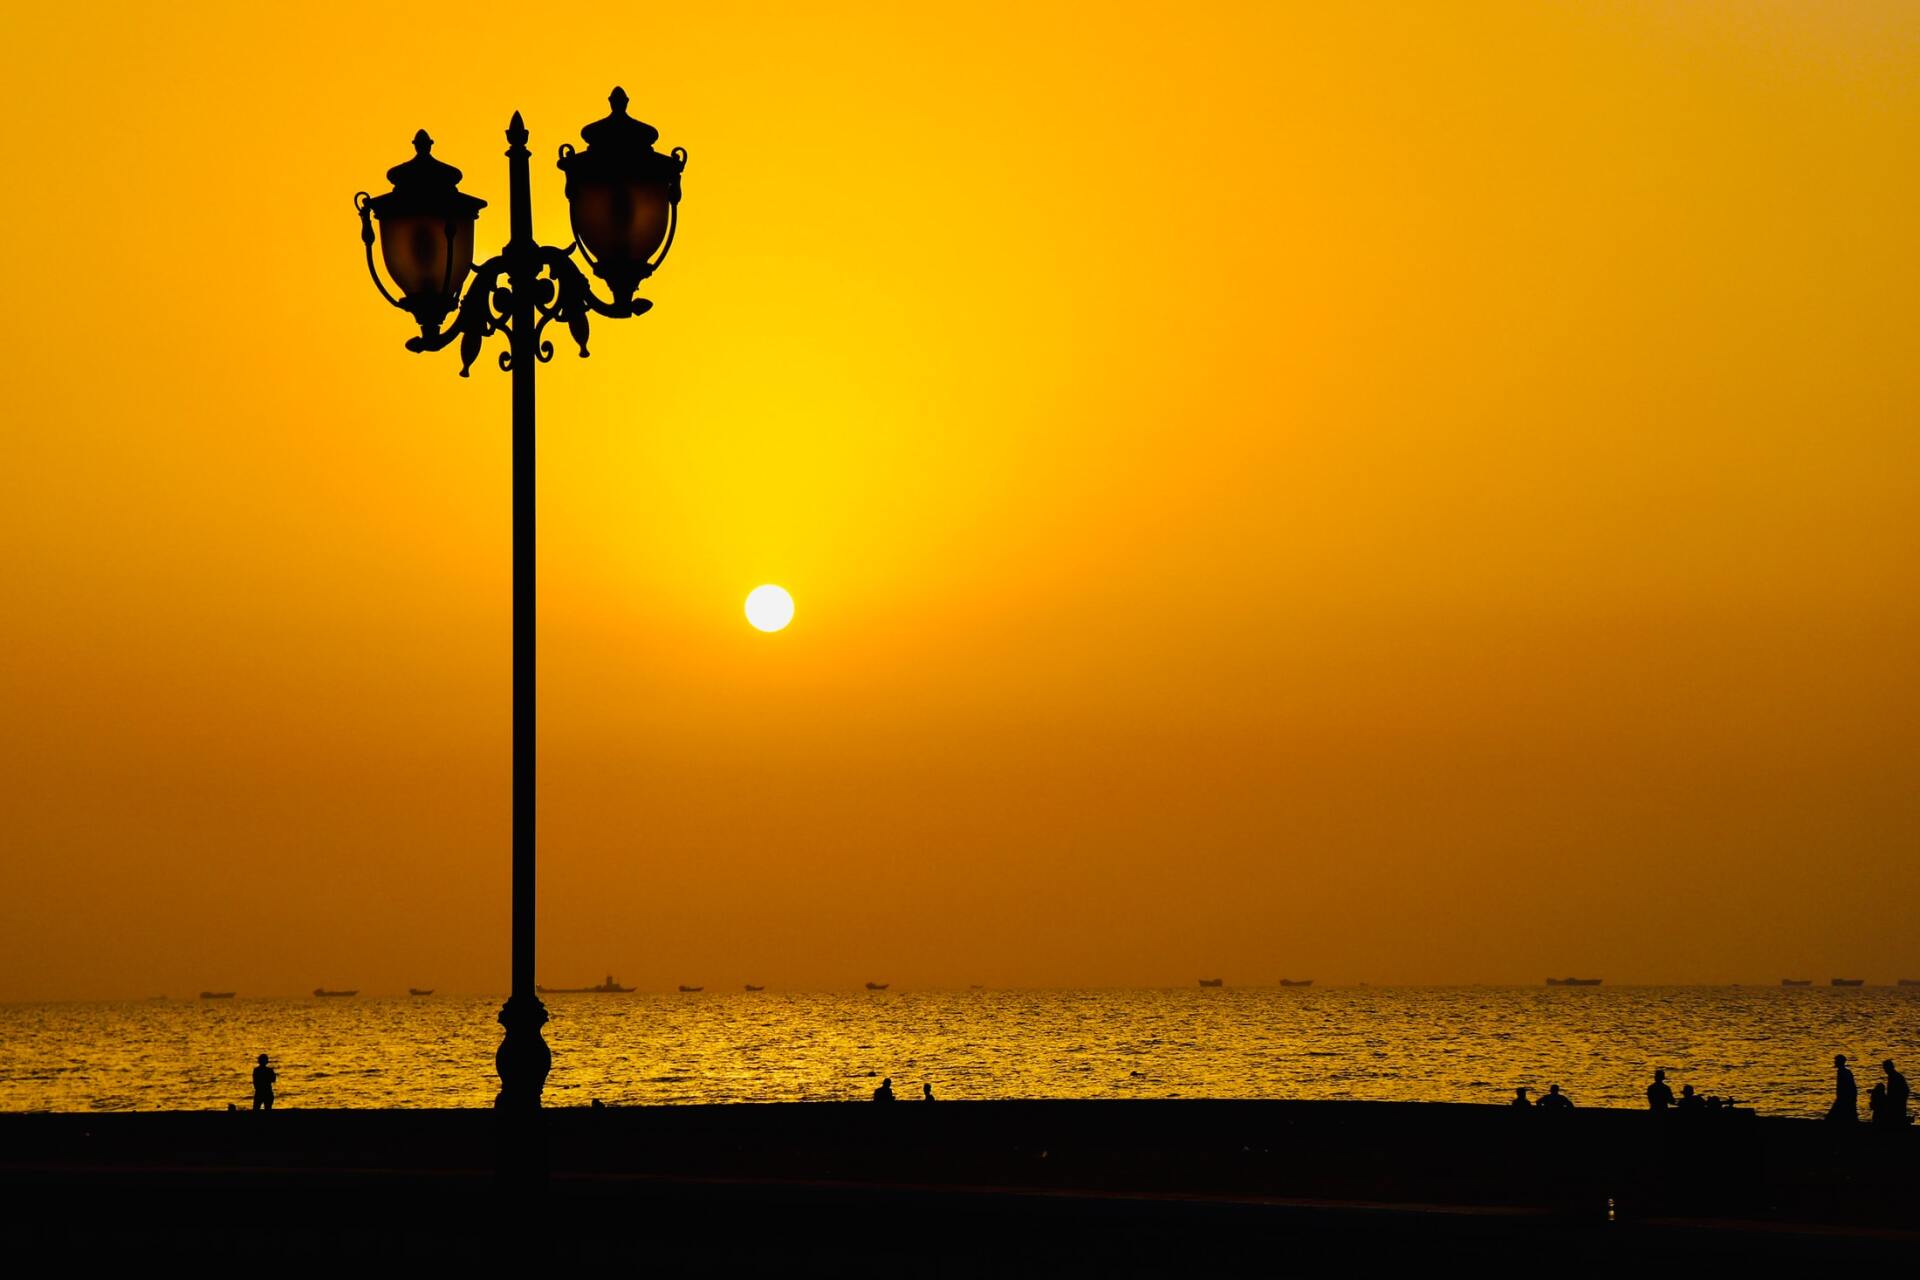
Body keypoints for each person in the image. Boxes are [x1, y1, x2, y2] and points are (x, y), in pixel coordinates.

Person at [1828, 1054, 1857, 1121]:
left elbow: (1846, 1086)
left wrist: (1841, 1096)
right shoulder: (1845, 1071)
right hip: (1846, 1096)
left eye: (1836, 1061)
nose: (1835, 1062)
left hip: (1844, 1097)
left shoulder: (1842, 1072)